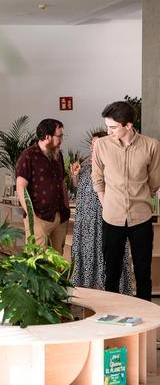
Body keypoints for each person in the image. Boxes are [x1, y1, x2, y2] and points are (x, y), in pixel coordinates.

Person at [92, 101, 160, 301]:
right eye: (107, 126)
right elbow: (98, 180)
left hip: (141, 219)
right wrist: (107, 205)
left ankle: (145, 316)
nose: (108, 131)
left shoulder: (151, 146)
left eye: (113, 127)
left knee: (143, 273)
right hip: (111, 218)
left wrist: (141, 200)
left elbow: (154, 182)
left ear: (129, 125)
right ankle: (112, 314)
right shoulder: (101, 146)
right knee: (111, 274)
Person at [70, 131, 132, 294]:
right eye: (92, 144)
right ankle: (87, 286)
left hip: (104, 217)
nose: (92, 147)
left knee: (105, 251)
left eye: (96, 143)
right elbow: (77, 187)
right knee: (87, 250)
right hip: (85, 219)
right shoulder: (85, 164)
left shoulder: (112, 162)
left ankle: (107, 289)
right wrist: (75, 176)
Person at [15, 118, 70, 253]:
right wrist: (31, 216)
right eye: (59, 136)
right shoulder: (28, 156)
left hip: (60, 215)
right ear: (47, 137)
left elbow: (62, 182)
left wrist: (66, 206)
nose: (61, 140)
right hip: (38, 217)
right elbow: (20, 187)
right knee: (37, 259)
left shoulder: (58, 155)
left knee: (57, 259)